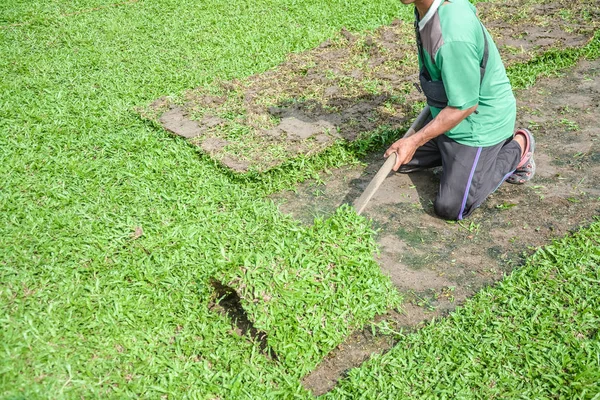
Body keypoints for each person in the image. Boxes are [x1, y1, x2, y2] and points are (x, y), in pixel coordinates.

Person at [385, 0, 535, 220]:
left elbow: (464, 105)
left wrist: (415, 140)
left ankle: (518, 148)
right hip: (450, 115)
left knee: (451, 206)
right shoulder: (428, 10)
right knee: (396, 161)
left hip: (478, 124)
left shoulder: (453, 31)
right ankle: (457, 160)